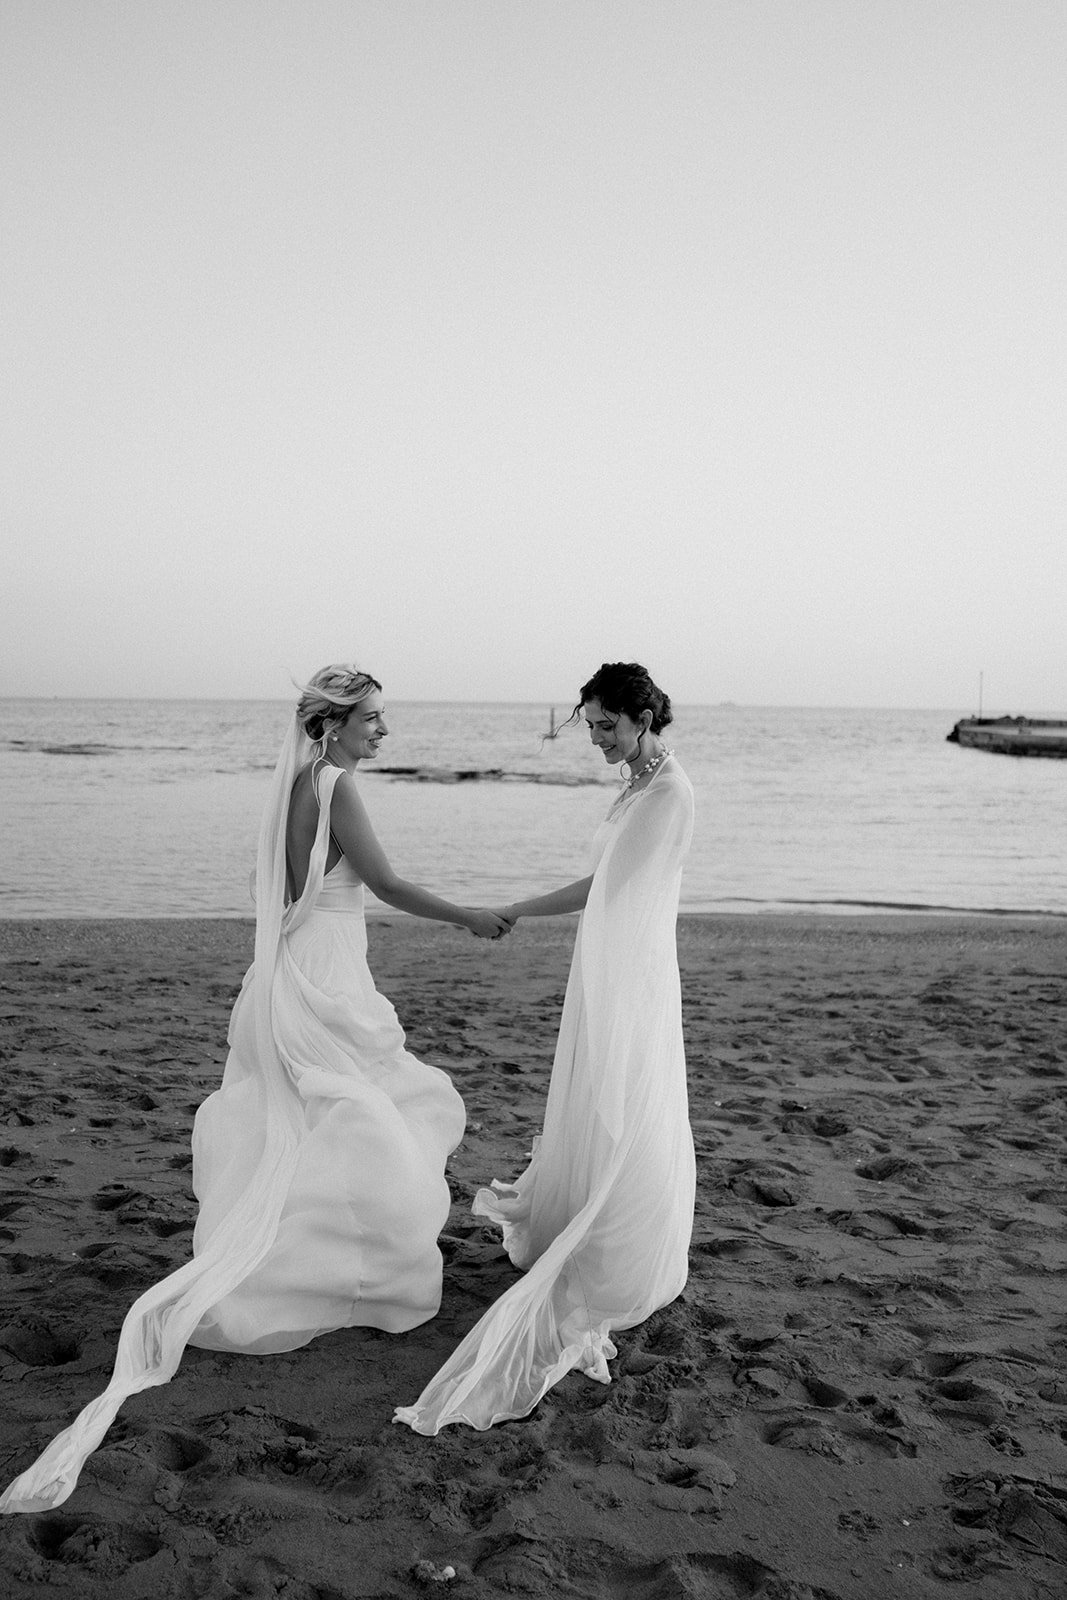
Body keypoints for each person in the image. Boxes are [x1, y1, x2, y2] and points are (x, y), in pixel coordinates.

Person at [1, 665, 509, 1513]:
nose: (383, 732)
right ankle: (351, 1274)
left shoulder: (294, 786)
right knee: (373, 1111)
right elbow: (384, 885)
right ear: (331, 725)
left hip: (291, 967)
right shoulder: (337, 784)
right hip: (329, 970)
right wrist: (470, 916)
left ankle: (315, 1266)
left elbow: (281, 893)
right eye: (372, 719)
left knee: (316, 1120)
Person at [395, 661, 695, 1434]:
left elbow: (602, 888)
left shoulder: (668, 792)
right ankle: (580, 1218)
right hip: (608, 959)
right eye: (589, 726)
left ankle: (620, 1246)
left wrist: (516, 907)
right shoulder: (635, 782)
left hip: (631, 970)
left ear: (642, 718)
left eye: (605, 726)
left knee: (624, 1097)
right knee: (594, 1093)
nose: (595, 739)